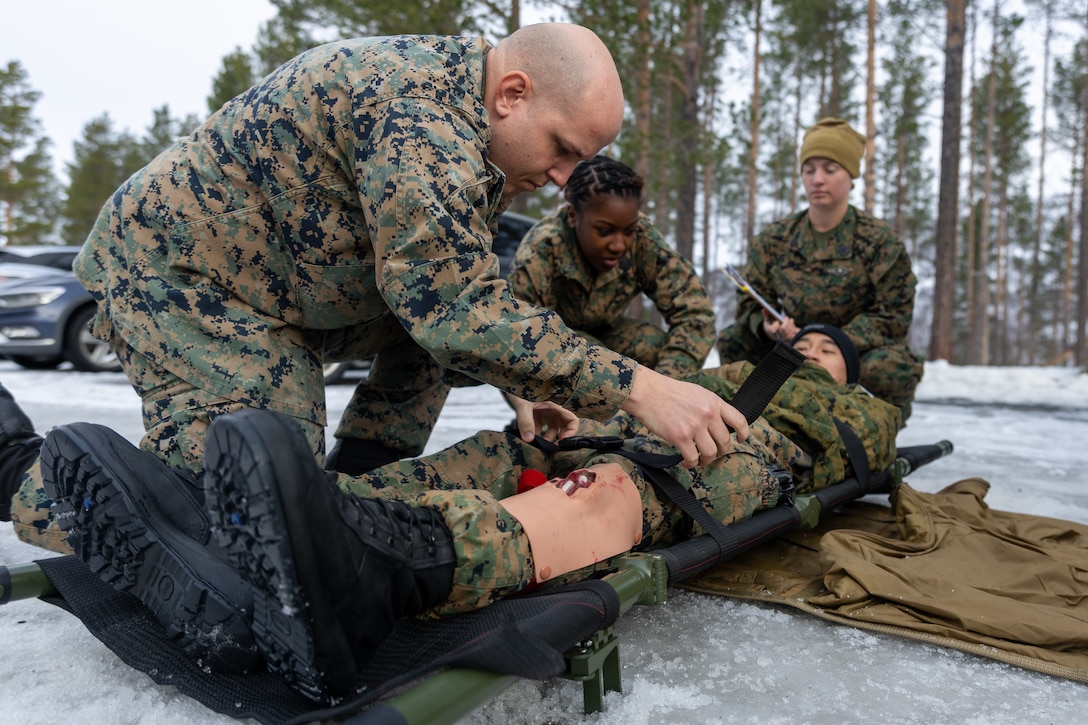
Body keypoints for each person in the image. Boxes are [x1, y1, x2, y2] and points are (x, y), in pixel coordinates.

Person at [3, 24, 750, 552]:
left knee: (412, 374)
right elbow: (454, 307)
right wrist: (642, 389)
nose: (564, 179)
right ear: (512, 93)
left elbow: (451, 293)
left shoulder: (475, 131)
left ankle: (356, 494)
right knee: (231, 513)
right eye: (561, 150)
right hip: (186, 279)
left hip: (288, 286)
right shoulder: (416, 112)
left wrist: (517, 383)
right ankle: (15, 465)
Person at [23, 324, 899, 702]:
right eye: (803, 340)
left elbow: (872, 445)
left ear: (845, 373)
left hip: (730, 464)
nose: (810, 349)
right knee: (484, 457)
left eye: (826, 349)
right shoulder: (721, 373)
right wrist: (580, 421)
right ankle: (261, 535)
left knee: (619, 495)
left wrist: (821, 388)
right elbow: (646, 407)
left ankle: (381, 579)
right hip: (625, 437)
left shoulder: (849, 409)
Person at [716, 117, 924, 421]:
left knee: (892, 367)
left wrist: (833, 344)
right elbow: (750, 302)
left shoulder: (880, 242)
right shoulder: (776, 239)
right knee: (734, 340)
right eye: (809, 169)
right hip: (790, 345)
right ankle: (749, 420)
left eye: (830, 169)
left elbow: (894, 315)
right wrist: (768, 326)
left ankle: (875, 429)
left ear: (851, 177)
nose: (817, 179)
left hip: (853, 351)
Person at [508, 155, 715, 377]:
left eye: (628, 231)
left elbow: (695, 315)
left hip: (609, 334)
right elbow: (523, 337)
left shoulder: (644, 238)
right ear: (573, 216)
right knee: (594, 359)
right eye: (604, 231)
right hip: (553, 347)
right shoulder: (543, 247)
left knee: (654, 347)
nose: (619, 245)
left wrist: (666, 386)